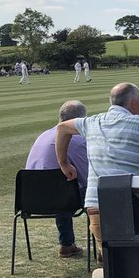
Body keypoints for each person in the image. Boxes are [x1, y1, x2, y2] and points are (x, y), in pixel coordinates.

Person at [56, 81, 139, 265]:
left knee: (113, 262)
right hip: (127, 211)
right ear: (133, 103)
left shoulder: (92, 121)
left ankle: (106, 257)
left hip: (95, 211)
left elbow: (62, 128)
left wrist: (63, 163)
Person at [26, 100, 88, 257]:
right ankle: (102, 245)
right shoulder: (76, 140)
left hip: (29, 200)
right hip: (62, 199)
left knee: (60, 186)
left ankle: (66, 243)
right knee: (94, 192)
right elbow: (88, 177)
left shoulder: (43, 135)